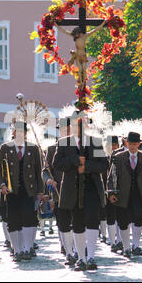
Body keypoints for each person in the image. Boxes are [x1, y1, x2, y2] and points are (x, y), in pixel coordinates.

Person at [53, 115, 109, 271]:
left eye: (83, 125)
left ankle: (91, 256)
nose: (80, 128)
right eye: (77, 125)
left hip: (91, 188)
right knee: (77, 223)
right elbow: (57, 164)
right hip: (72, 189)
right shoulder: (64, 143)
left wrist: (87, 166)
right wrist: (75, 161)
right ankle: (81, 258)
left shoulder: (95, 142)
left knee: (92, 221)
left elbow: (104, 164)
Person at [0, 121, 44, 263]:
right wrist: (2, 184)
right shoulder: (5, 147)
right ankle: (17, 249)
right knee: (14, 220)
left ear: (26, 133)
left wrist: (40, 192)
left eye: (23, 131)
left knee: (29, 218)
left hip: (29, 190)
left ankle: (27, 248)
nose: (20, 134)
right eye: (17, 131)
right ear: (13, 132)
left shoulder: (33, 148)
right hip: (11, 191)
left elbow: (38, 171)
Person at [107, 132, 142, 258]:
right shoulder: (118, 157)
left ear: (139, 144)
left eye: (135, 144)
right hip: (122, 194)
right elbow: (111, 176)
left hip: (139, 194)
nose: (133, 146)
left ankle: (136, 245)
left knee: (138, 219)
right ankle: (126, 247)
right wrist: (111, 192)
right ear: (126, 143)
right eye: (131, 144)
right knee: (123, 221)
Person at [42, 116, 71, 260]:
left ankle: (75, 247)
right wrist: (48, 180)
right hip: (58, 192)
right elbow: (45, 170)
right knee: (62, 221)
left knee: (75, 221)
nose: (65, 132)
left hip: (76, 191)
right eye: (62, 130)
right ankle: (65, 246)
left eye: (68, 129)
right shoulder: (52, 149)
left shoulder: (80, 147)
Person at [54, 20, 107, 87]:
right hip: (78, 55)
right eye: (75, 34)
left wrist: (103, 24)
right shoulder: (75, 37)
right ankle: (81, 83)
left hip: (83, 55)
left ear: (79, 33)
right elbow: (64, 31)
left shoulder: (84, 36)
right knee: (80, 70)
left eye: (76, 34)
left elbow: (95, 30)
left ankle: (83, 83)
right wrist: (56, 25)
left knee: (84, 70)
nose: (76, 35)